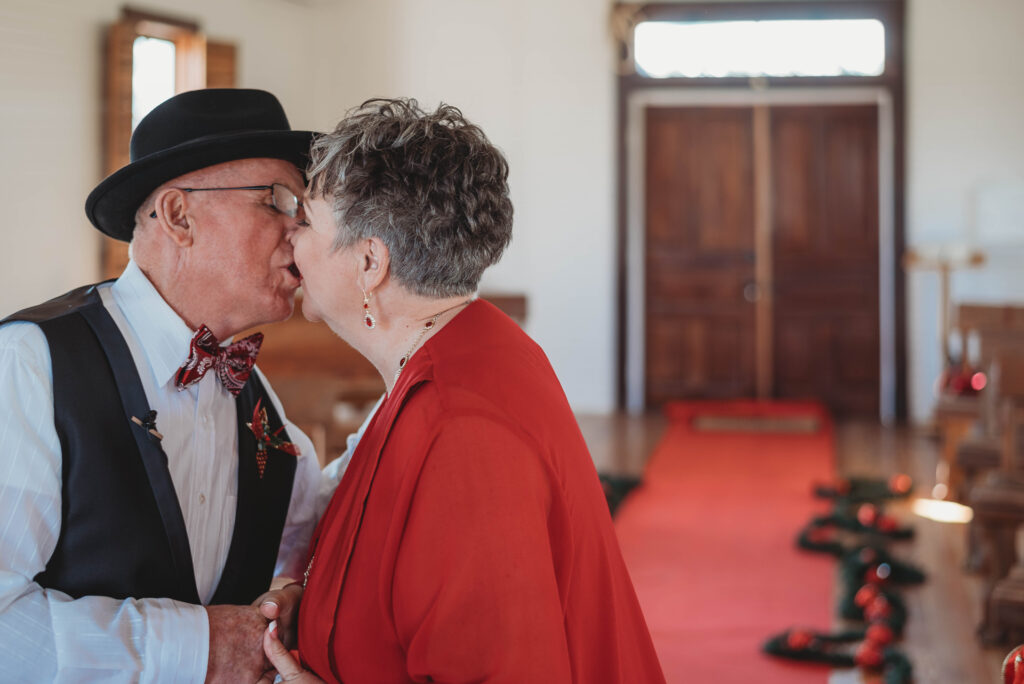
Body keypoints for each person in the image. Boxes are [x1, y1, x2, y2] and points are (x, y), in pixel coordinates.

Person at [259, 98, 666, 683]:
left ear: (370, 261)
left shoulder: (465, 435)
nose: (290, 239)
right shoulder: (466, 350)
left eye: (307, 222)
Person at [0, 88, 330, 682]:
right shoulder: (30, 363)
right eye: (278, 202)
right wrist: (196, 648)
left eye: (303, 213)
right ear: (179, 216)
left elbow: (321, 521)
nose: (300, 235)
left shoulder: (255, 396)